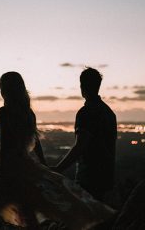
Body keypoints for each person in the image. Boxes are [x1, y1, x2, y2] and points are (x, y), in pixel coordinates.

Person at [0, 71, 115, 230]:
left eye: (1, 86)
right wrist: (43, 165)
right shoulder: (29, 114)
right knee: (28, 213)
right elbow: (36, 141)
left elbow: (5, 149)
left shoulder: (3, 113)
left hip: (8, 167)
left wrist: (1, 178)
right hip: (27, 167)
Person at [53, 67, 117, 201]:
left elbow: (80, 146)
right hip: (106, 177)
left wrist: (58, 169)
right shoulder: (109, 113)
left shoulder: (86, 112)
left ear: (82, 86)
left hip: (88, 177)